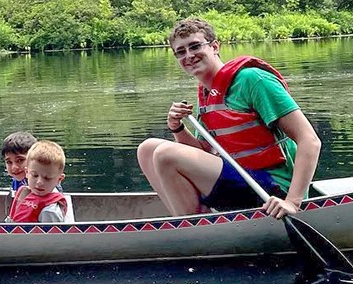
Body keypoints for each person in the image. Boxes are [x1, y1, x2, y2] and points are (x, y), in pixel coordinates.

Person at [136, 18, 322, 219]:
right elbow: (203, 154)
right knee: (147, 149)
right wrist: (177, 128)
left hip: (273, 191)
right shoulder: (208, 94)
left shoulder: (253, 80)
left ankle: (196, 231)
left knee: (165, 154)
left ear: (215, 46)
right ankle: (193, 222)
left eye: (195, 46)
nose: (189, 55)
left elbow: (310, 140)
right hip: (241, 180)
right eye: (181, 52)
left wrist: (292, 202)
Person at [7, 140, 72, 223]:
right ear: (27, 173)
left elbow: (52, 235)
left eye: (47, 178)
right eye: (34, 175)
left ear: (59, 179)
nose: (39, 182)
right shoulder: (27, 192)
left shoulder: (49, 211)